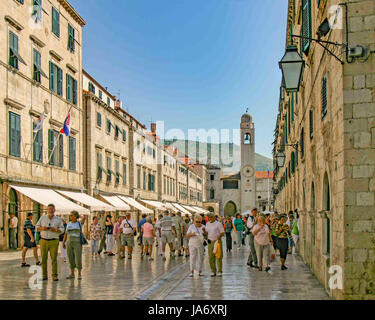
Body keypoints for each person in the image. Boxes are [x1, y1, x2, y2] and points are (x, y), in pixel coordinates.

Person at [36, 204, 64, 281]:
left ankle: (54, 275)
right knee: (43, 258)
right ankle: (44, 275)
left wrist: (55, 230)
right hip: (43, 240)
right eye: (49, 209)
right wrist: (42, 228)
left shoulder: (58, 219)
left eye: (52, 209)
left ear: (54, 210)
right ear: (47, 210)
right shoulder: (42, 218)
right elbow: (36, 227)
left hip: (54, 240)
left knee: (54, 258)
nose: (50, 210)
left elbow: (62, 229)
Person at [63, 211, 83, 280]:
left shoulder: (79, 223)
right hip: (69, 242)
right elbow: (66, 233)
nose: (70, 217)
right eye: (70, 215)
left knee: (78, 258)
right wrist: (63, 242)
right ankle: (72, 273)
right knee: (70, 258)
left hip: (77, 242)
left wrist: (80, 216)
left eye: (71, 215)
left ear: (75, 216)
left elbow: (84, 218)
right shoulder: (68, 224)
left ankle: (79, 274)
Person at [206, 212, 224, 277]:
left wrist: (219, 237)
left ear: (213, 217)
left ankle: (219, 271)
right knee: (211, 257)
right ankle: (213, 271)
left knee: (218, 256)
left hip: (217, 241)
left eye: (210, 217)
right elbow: (207, 232)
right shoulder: (207, 224)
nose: (209, 219)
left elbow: (222, 232)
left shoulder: (218, 224)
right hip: (210, 242)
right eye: (208, 217)